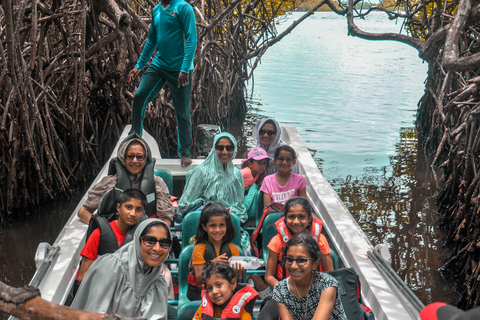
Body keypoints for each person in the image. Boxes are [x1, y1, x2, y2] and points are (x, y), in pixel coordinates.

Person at [128, 0, 197, 168]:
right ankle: (135, 134)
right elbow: (152, 40)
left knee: (182, 111)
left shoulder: (183, 8)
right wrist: (139, 65)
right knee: (139, 96)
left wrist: (185, 68)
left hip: (180, 68)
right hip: (159, 64)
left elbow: (191, 38)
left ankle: (185, 152)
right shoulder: (157, 10)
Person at [71, 219, 173, 320]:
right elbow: (94, 313)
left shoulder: (158, 284)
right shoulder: (112, 267)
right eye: (150, 241)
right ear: (138, 240)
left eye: (165, 243)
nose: (157, 248)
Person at [77, 134, 174, 226]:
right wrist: (103, 228)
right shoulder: (109, 183)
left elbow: (165, 218)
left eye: (139, 157)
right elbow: (83, 211)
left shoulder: (157, 183)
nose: (135, 161)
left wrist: (152, 235)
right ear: (123, 157)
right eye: (130, 156)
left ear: (146, 158)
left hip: (146, 235)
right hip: (117, 234)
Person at [77, 188, 146, 282]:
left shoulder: (144, 237)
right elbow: (83, 276)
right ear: (118, 208)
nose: (133, 214)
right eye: (128, 207)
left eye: (138, 210)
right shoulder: (98, 234)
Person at [272, 234, 347, 320]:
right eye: (289, 259)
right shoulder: (280, 289)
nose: (294, 266)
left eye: (301, 260)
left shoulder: (327, 284)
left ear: (315, 264)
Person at [179, 132, 247, 223]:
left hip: (228, 221)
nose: (225, 152)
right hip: (203, 222)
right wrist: (211, 210)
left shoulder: (237, 174)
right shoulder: (201, 172)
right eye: (220, 148)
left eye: (229, 148)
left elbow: (239, 206)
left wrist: (231, 211)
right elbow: (184, 205)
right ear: (214, 149)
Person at [188, 202, 241, 301]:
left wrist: (237, 272)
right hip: (202, 294)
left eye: (222, 225)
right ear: (204, 227)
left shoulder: (233, 249)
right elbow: (199, 279)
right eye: (212, 226)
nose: (217, 230)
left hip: (225, 296)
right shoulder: (199, 249)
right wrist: (213, 264)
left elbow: (235, 281)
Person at [193, 263, 259, 320]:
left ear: (233, 283)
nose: (214, 292)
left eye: (219, 285)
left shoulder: (242, 311)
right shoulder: (203, 310)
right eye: (210, 288)